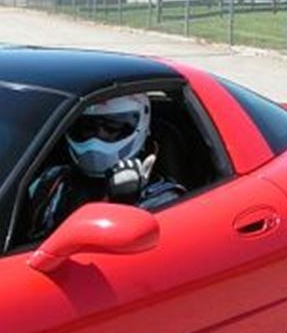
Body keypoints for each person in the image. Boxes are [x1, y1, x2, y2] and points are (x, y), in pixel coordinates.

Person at [24, 94, 185, 241]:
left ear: (141, 127)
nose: (97, 139)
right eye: (88, 128)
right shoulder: (52, 180)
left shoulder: (163, 197)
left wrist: (126, 207)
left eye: (112, 128)